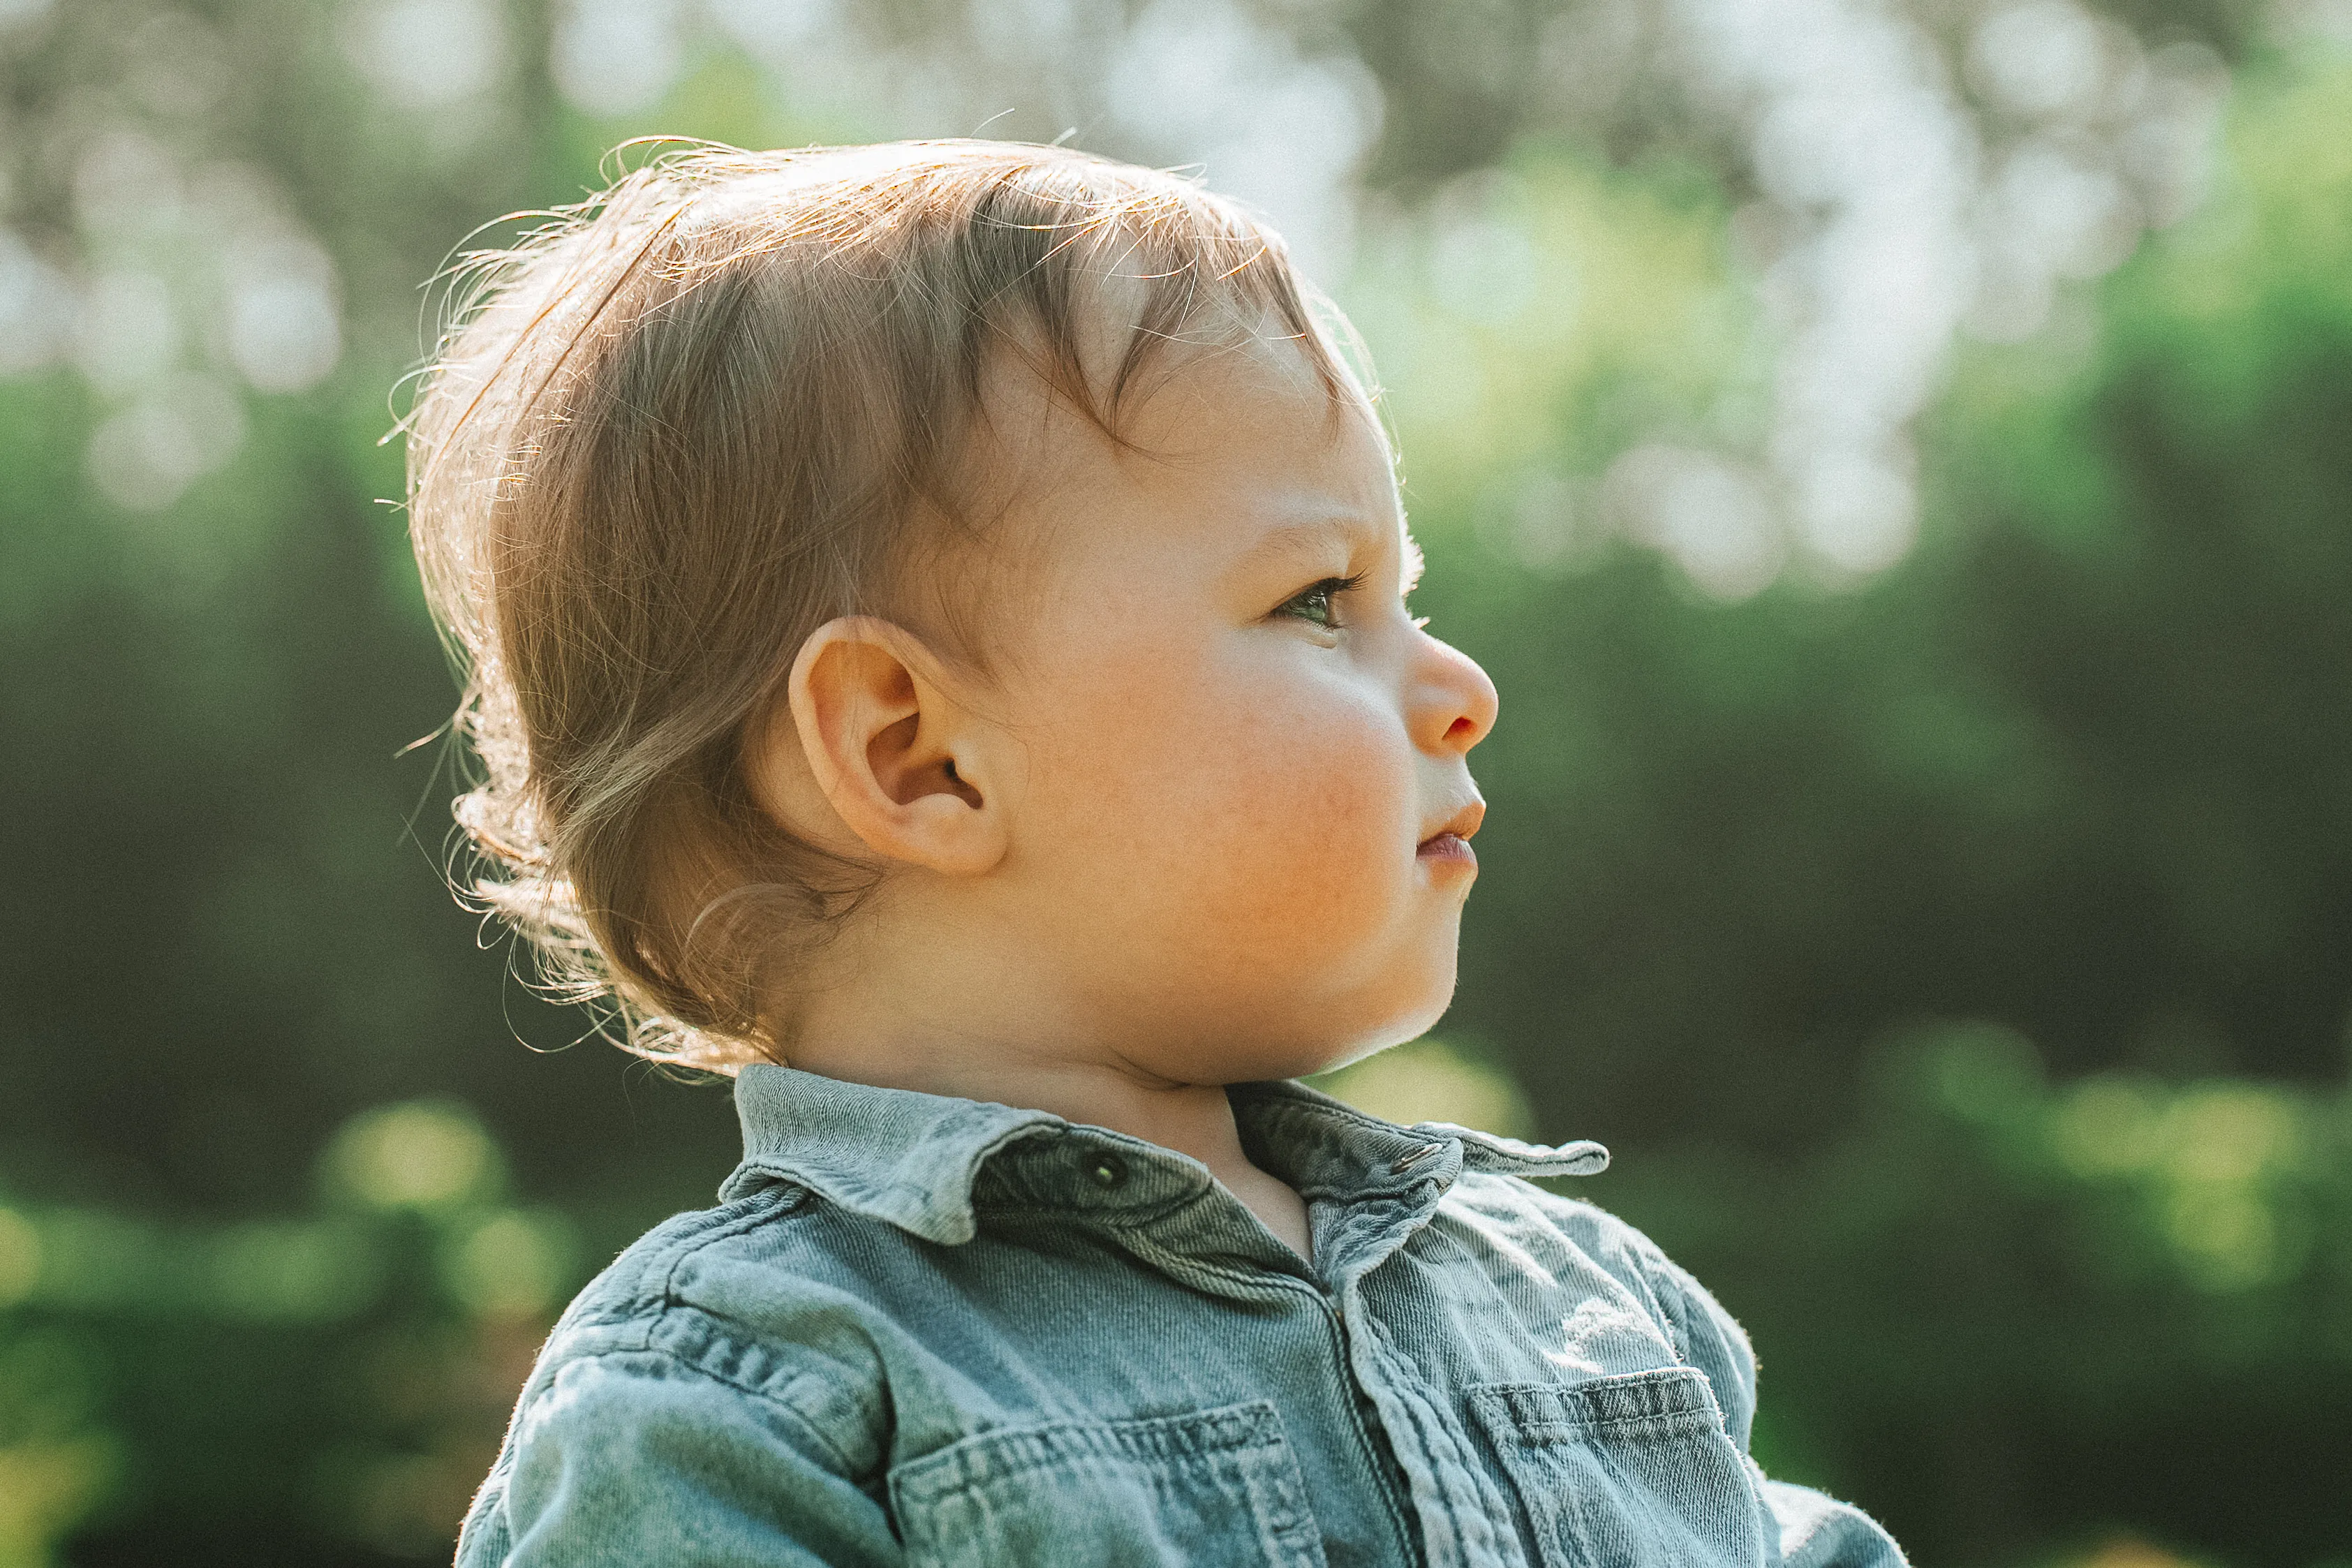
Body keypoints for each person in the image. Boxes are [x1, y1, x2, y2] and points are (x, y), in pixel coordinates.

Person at [404, 139, 1905, 1567]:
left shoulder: (1587, 1308)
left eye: (1408, 597)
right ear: (913, 752)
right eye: (1321, 598)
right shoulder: (746, 1409)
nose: (1463, 688)